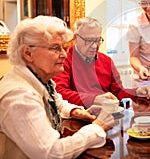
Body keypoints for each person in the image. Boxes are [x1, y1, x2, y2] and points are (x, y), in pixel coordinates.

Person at [0, 16, 115, 158]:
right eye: (56, 48)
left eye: (63, 48)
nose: (64, 54)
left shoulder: (41, 80)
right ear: (28, 53)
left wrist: (76, 111)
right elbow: (52, 153)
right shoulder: (19, 96)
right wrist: (97, 128)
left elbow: (58, 103)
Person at [53, 17, 150, 109]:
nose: (94, 46)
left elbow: (118, 92)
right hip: (78, 117)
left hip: (106, 116)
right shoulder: (64, 60)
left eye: (97, 40)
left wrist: (136, 92)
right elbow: (59, 93)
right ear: (75, 38)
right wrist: (94, 99)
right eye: (89, 40)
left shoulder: (106, 61)